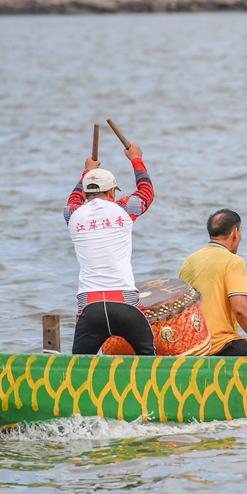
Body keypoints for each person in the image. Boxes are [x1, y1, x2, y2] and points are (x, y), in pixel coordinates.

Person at [63, 143, 156, 355]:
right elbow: (146, 192)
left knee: (79, 366)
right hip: (125, 303)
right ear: (112, 192)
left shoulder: (72, 214)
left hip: (89, 305)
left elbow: (73, 199)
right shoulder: (122, 209)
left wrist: (87, 172)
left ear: (86, 193)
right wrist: (136, 158)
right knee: (149, 361)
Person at [179, 209, 247, 356]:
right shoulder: (233, 261)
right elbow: (240, 309)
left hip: (193, 347)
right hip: (220, 344)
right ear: (235, 232)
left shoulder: (189, 261)